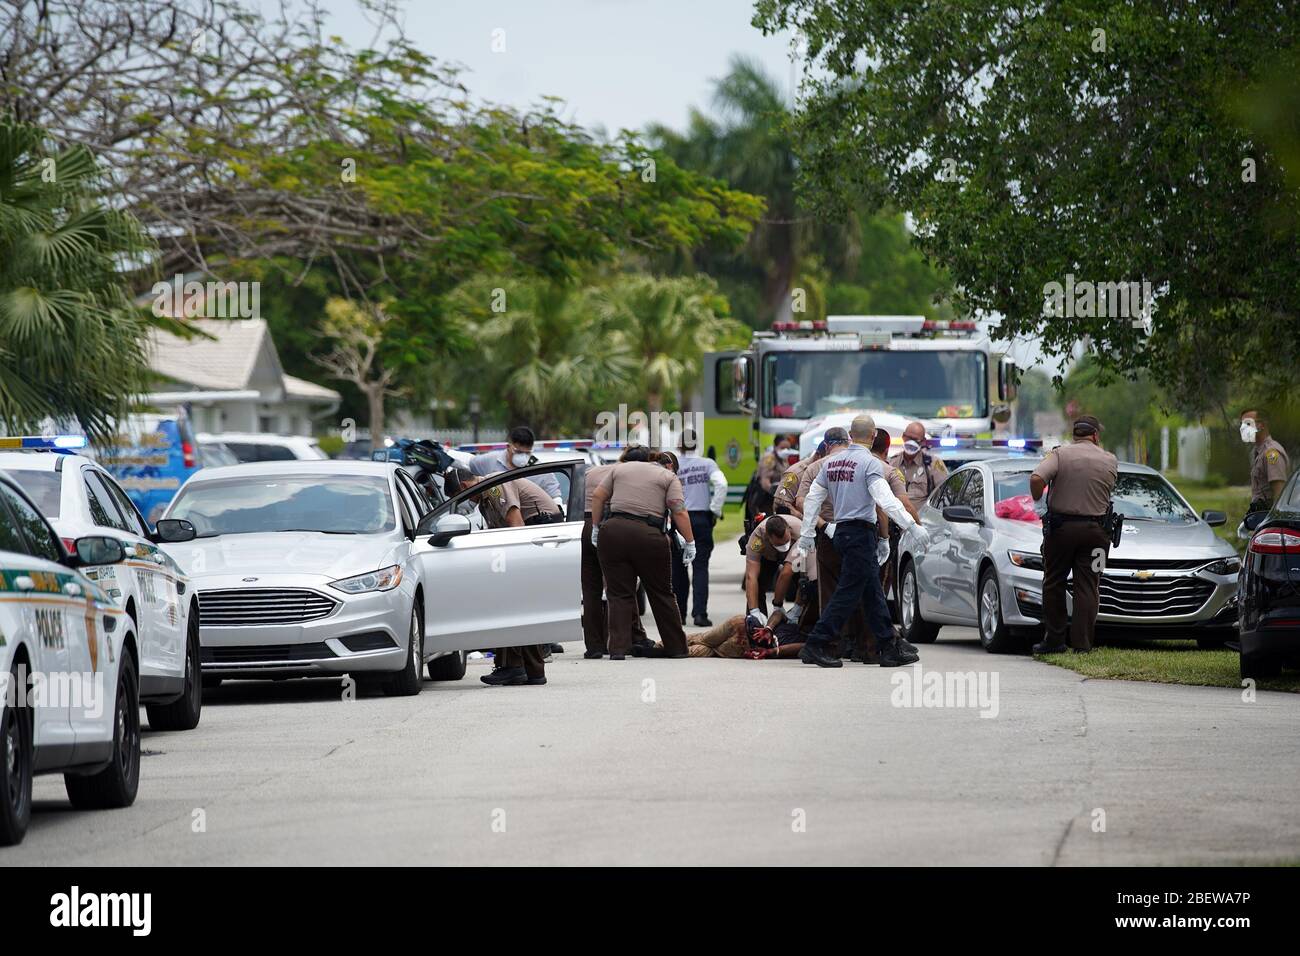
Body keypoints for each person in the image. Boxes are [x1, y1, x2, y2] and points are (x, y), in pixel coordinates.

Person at [796, 415, 930, 668]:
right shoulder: (870, 464)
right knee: (847, 593)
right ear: (871, 437)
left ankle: (888, 646)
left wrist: (806, 533)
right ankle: (816, 643)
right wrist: (911, 526)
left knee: (872, 594)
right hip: (860, 534)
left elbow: (813, 498)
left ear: (850, 434)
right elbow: (885, 500)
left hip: (843, 532)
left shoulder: (831, 464)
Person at [1029, 415, 1118, 655]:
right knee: (1089, 585)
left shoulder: (1060, 454)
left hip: (1062, 531)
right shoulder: (1110, 459)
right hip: (1098, 533)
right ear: (1096, 435)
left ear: (1075, 435)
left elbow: (1037, 478)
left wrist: (1039, 500)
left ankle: (1055, 640)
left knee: (1054, 581)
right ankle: (1083, 644)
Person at [590, 457, 695, 659]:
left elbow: (597, 496)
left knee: (618, 594)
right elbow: (679, 511)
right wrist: (690, 541)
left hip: (613, 532)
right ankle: (676, 648)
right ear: (670, 465)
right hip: (649, 536)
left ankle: (618, 649)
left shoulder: (621, 469)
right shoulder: (668, 476)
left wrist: (596, 527)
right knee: (661, 592)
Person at [581, 447, 653, 658]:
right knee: (619, 588)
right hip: (611, 524)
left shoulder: (592, 471)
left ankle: (594, 646)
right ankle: (621, 641)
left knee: (590, 590)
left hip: (584, 526)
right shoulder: (629, 476)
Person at [671, 441, 727, 626]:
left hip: (679, 518)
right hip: (702, 518)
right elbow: (721, 483)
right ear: (696, 444)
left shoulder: (674, 463)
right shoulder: (707, 463)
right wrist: (715, 510)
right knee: (700, 567)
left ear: (679, 445)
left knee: (679, 568)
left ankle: (679, 612)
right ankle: (700, 614)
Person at [470, 425, 563, 501]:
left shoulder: (540, 470)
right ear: (508, 446)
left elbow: (555, 496)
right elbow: (469, 467)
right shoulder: (491, 460)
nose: (523, 456)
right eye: (518, 452)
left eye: (527, 453)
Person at [742, 514, 802, 618]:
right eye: (779, 544)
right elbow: (751, 577)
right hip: (768, 556)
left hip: (796, 552)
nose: (783, 545)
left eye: (786, 541)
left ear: (788, 530)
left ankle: (802, 616)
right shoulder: (758, 538)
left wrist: (777, 604)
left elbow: (786, 574)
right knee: (758, 584)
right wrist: (754, 611)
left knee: (804, 583)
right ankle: (756, 622)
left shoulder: (800, 531)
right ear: (768, 537)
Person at [887, 420, 949, 511]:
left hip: (922, 519)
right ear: (903, 437)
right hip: (895, 520)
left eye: (916, 440)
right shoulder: (892, 463)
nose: (911, 443)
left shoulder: (932, 464)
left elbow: (945, 493)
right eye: (909, 438)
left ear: (923, 441)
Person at [1240, 409, 1290, 513]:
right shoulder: (1258, 451)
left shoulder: (1271, 452)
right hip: (1259, 515)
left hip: (1268, 517)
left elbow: (1279, 490)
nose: (1243, 428)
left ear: (1261, 425)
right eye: (1241, 424)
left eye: (1247, 423)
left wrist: (1275, 519)